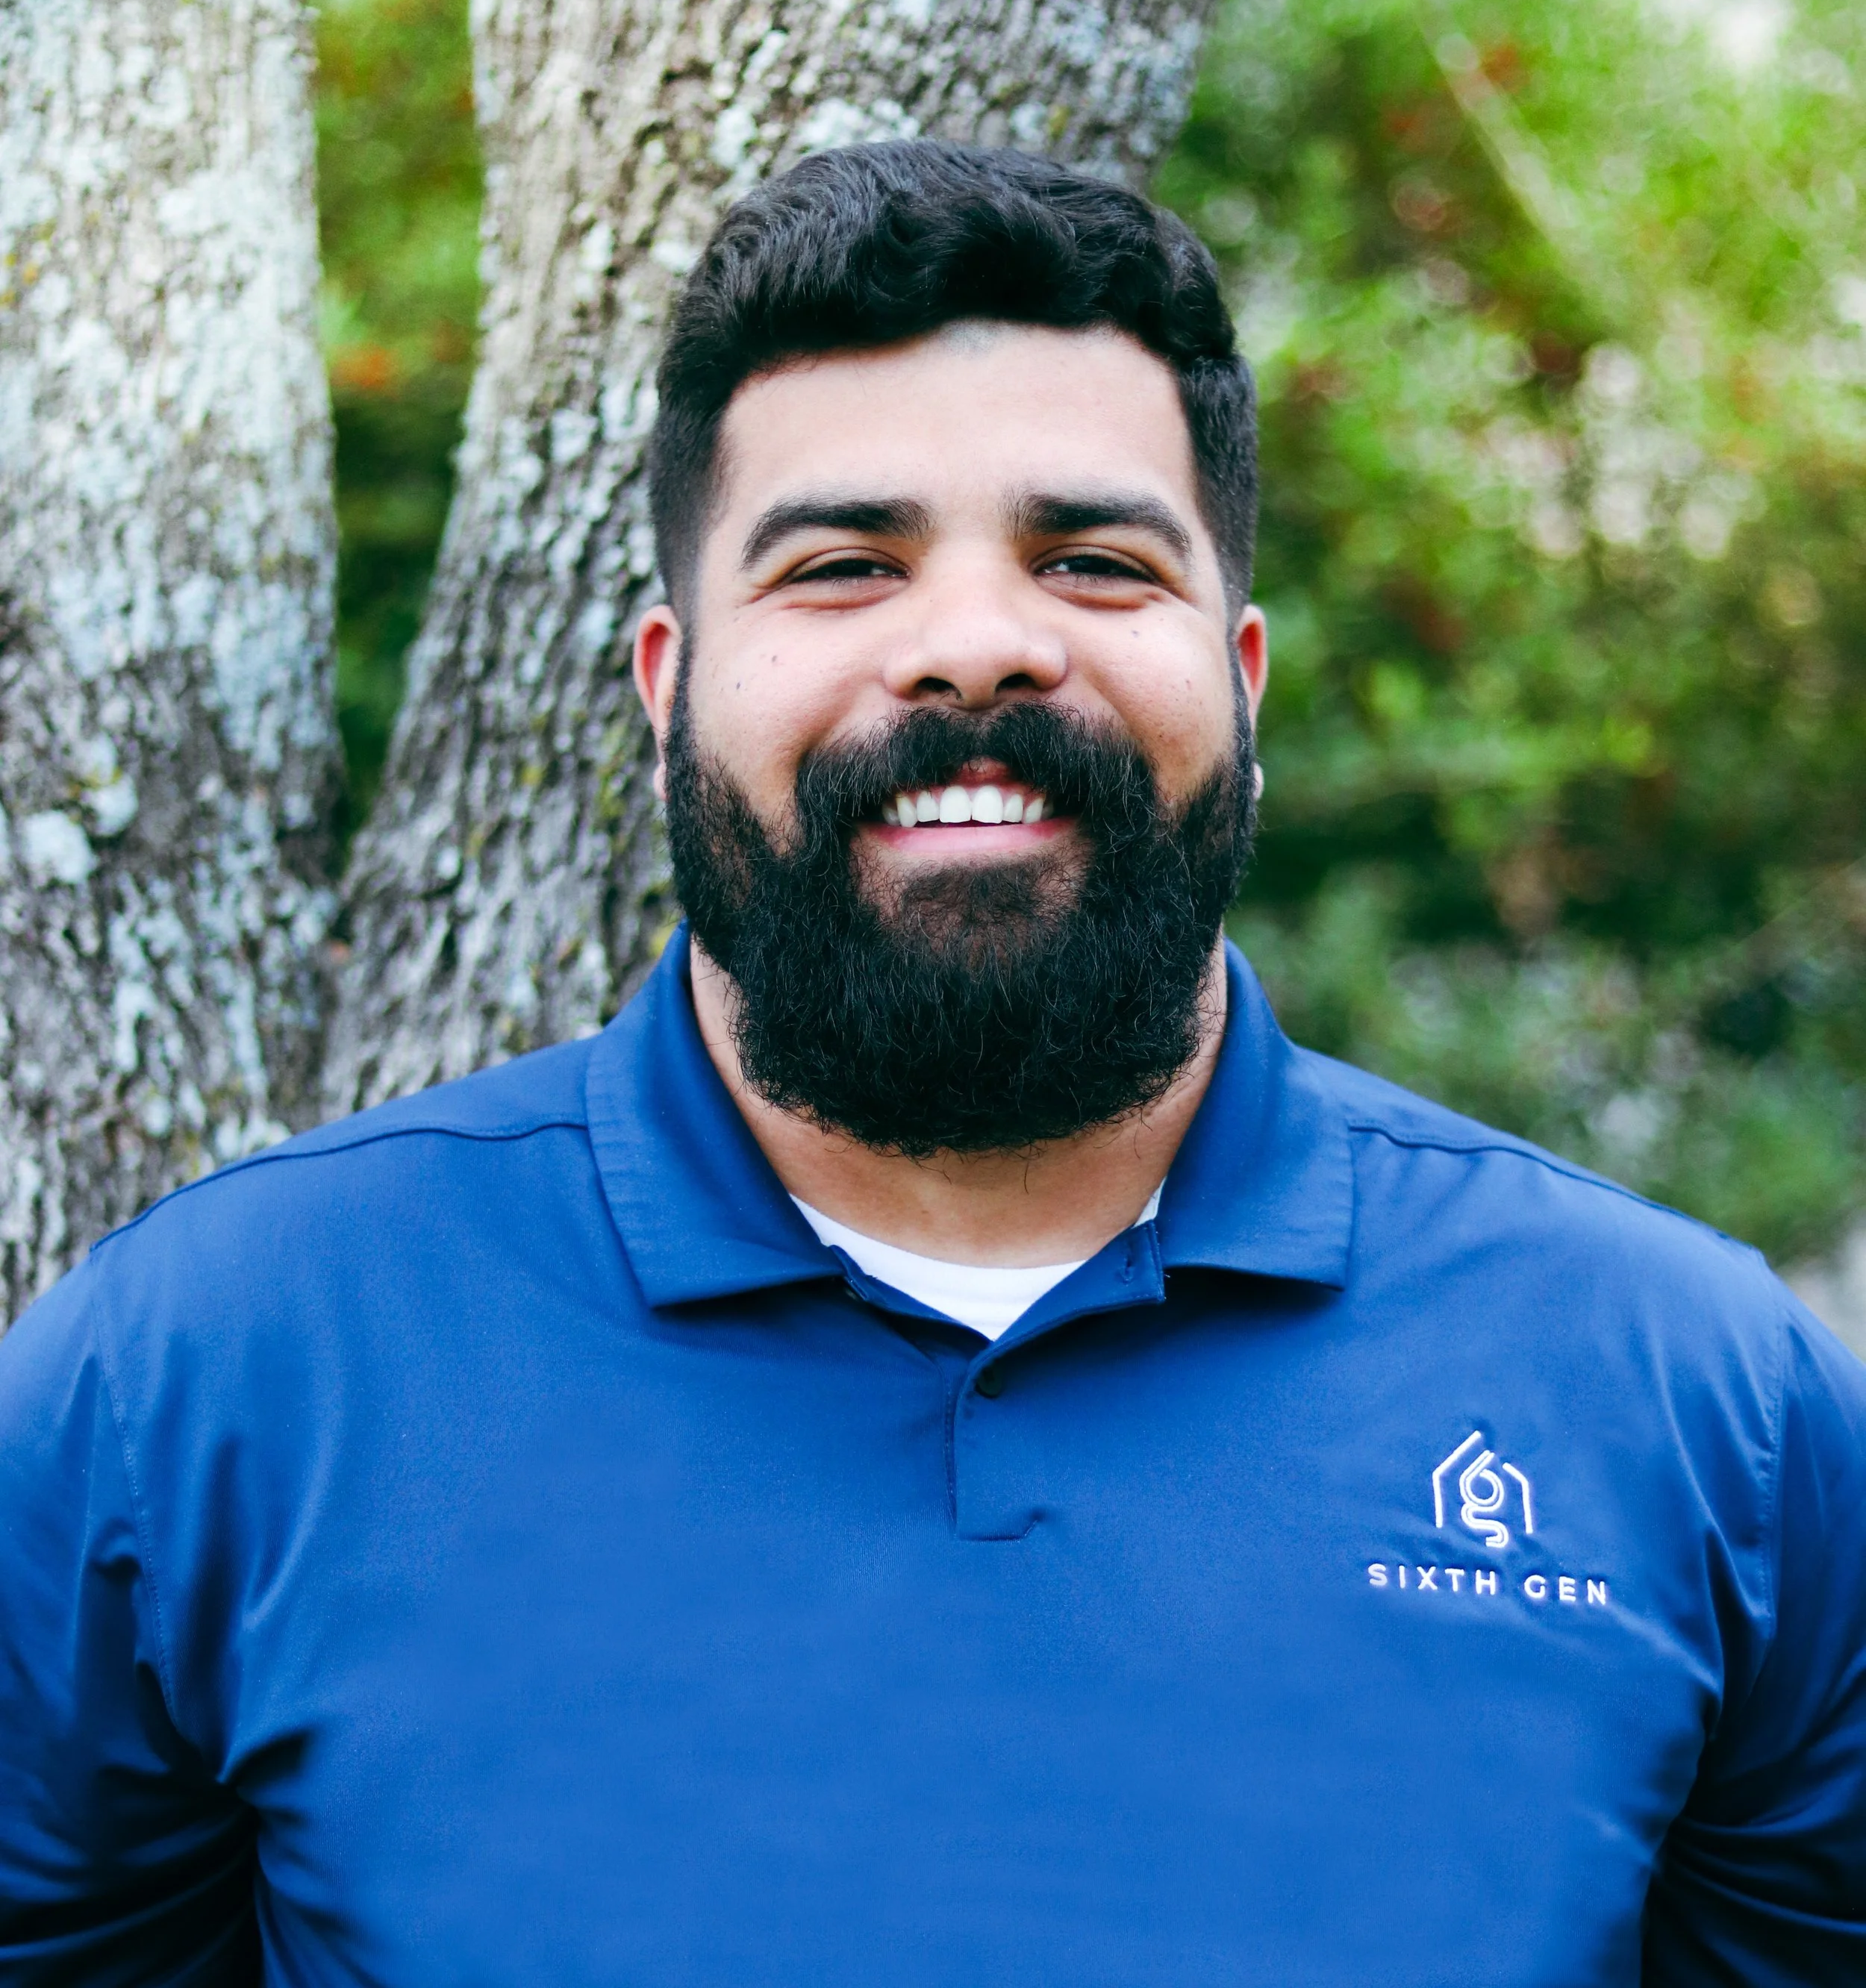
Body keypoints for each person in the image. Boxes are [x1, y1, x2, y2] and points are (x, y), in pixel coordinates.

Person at [1, 141, 1862, 1987]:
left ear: (1243, 672)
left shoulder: (1708, 1407)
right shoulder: (200, 1377)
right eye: (841, 565)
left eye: (1090, 560)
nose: (976, 646)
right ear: (668, 682)